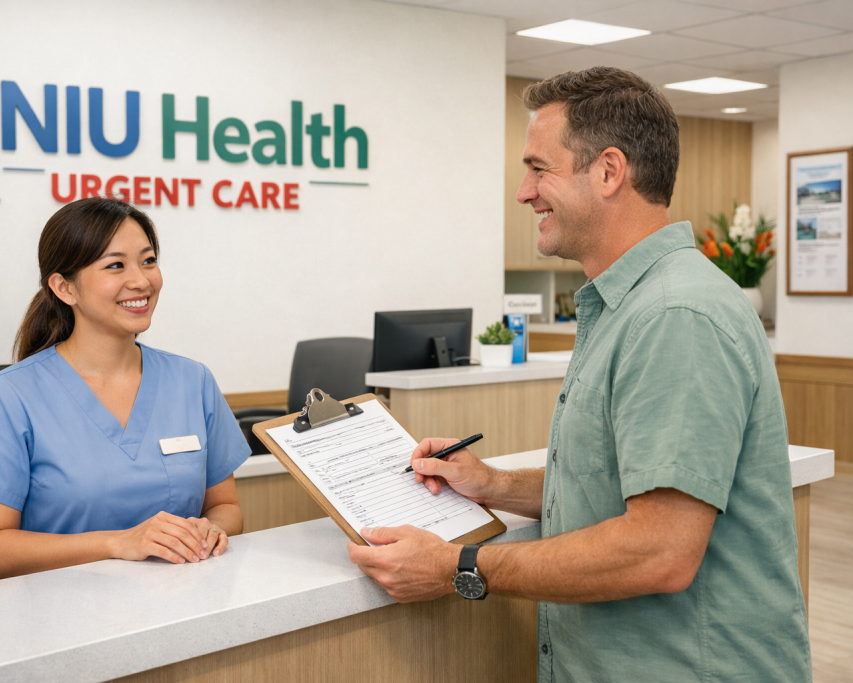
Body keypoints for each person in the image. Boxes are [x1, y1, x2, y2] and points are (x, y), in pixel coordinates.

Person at [347, 67, 811, 683]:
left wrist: (462, 565)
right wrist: (490, 484)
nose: (523, 192)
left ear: (609, 171)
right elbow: (613, 482)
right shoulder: (630, 305)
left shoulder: (676, 315)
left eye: (539, 169)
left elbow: (660, 550)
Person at [0, 197, 250, 581]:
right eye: (115, 265)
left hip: (182, 603)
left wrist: (211, 529)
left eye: (148, 260)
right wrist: (118, 544)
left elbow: (226, 507)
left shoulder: (193, 381)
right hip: (56, 615)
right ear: (64, 288)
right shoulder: (8, 397)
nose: (141, 280)